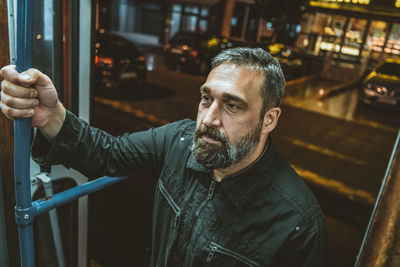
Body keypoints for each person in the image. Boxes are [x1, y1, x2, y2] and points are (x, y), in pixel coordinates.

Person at [0, 48, 324, 266]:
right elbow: (108, 153)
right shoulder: (179, 140)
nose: (209, 119)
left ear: (269, 119)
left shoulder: (296, 222)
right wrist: (50, 114)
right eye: (206, 99)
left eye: (232, 105)